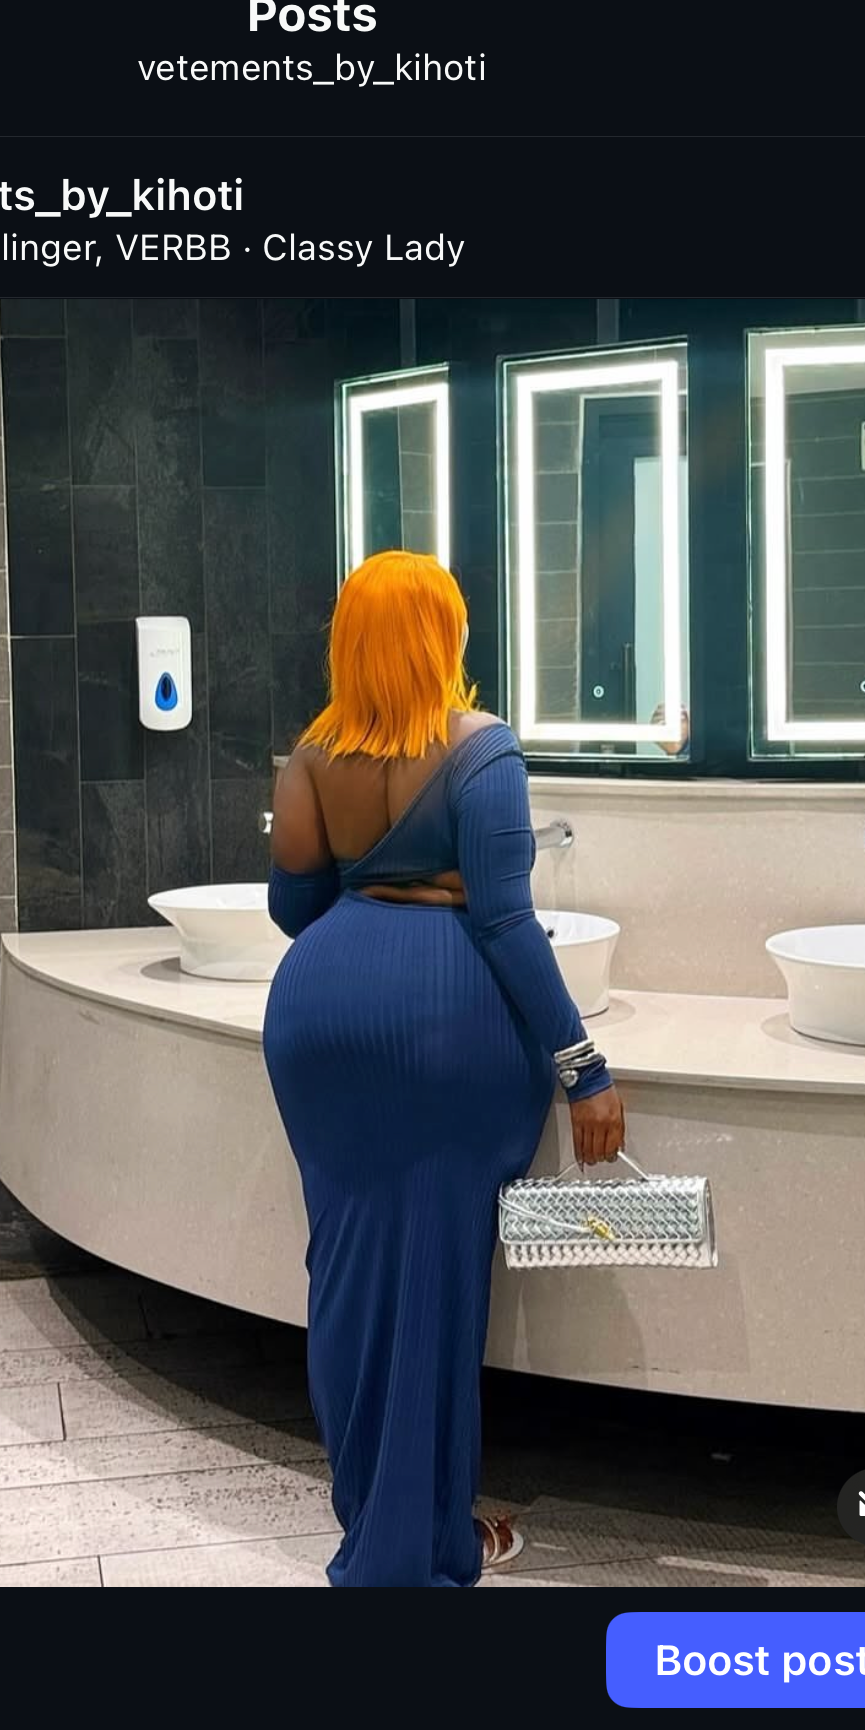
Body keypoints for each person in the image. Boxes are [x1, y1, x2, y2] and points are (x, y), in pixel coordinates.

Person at [264, 551, 625, 1589]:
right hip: (443, 1027)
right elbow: (508, 923)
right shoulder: (483, 749)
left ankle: (380, 1515)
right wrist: (583, 1066)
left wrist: (372, 881)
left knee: (346, 1273)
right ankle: (420, 1544)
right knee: (433, 1279)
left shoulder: (310, 757)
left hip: (322, 1017)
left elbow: (293, 908)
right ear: (443, 635)